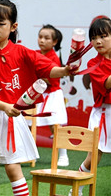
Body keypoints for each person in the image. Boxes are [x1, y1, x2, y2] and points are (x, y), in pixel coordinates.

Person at [0, 0, 71, 195]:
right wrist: (4, 106)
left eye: (1, 24)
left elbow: (48, 69)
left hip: (11, 119)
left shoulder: (22, 52)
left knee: (13, 167)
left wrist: (65, 70)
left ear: (13, 27)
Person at [69, 17, 111, 196]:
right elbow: (107, 84)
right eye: (94, 38)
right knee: (93, 157)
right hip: (104, 114)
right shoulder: (93, 63)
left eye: (103, 36)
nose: (98, 41)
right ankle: (77, 190)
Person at [35, 24, 69, 166]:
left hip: (52, 95)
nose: (42, 40)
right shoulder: (35, 53)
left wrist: (35, 75)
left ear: (54, 42)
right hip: (37, 95)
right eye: (40, 37)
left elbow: (51, 79)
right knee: (27, 123)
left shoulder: (54, 58)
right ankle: (28, 154)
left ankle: (63, 155)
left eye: (46, 38)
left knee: (55, 126)